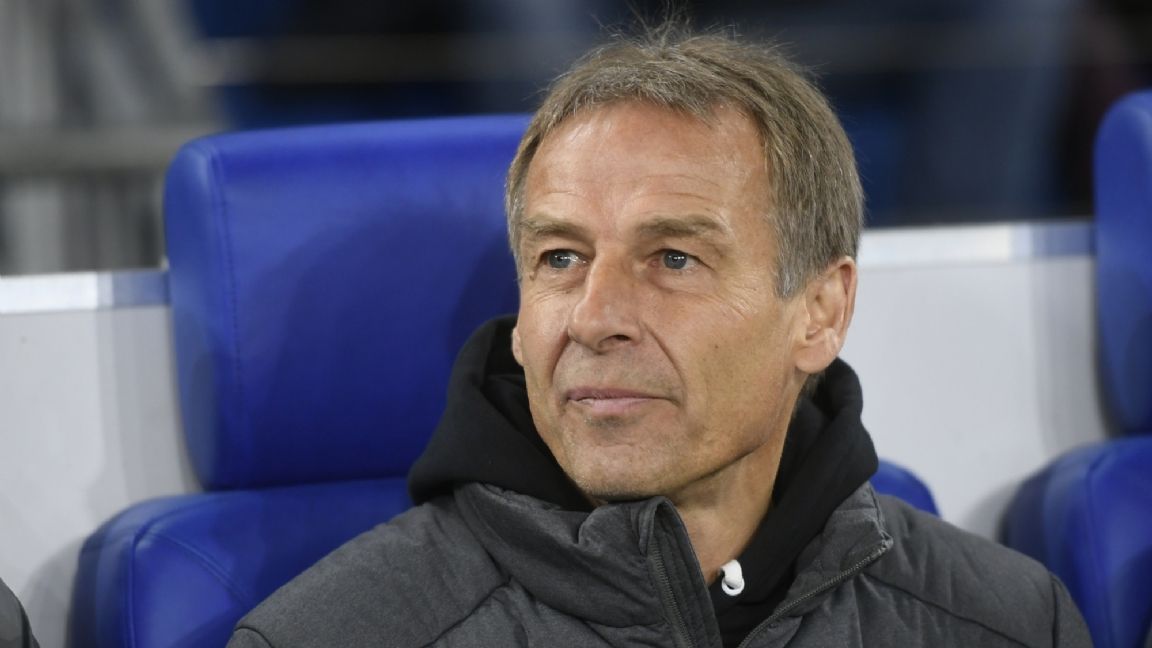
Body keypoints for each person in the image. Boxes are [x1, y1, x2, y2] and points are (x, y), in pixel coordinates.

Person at [228, 24, 1091, 647]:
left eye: (674, 258)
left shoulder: (1010, 623)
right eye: (561, 258)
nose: (595, 317)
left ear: (821, 311)